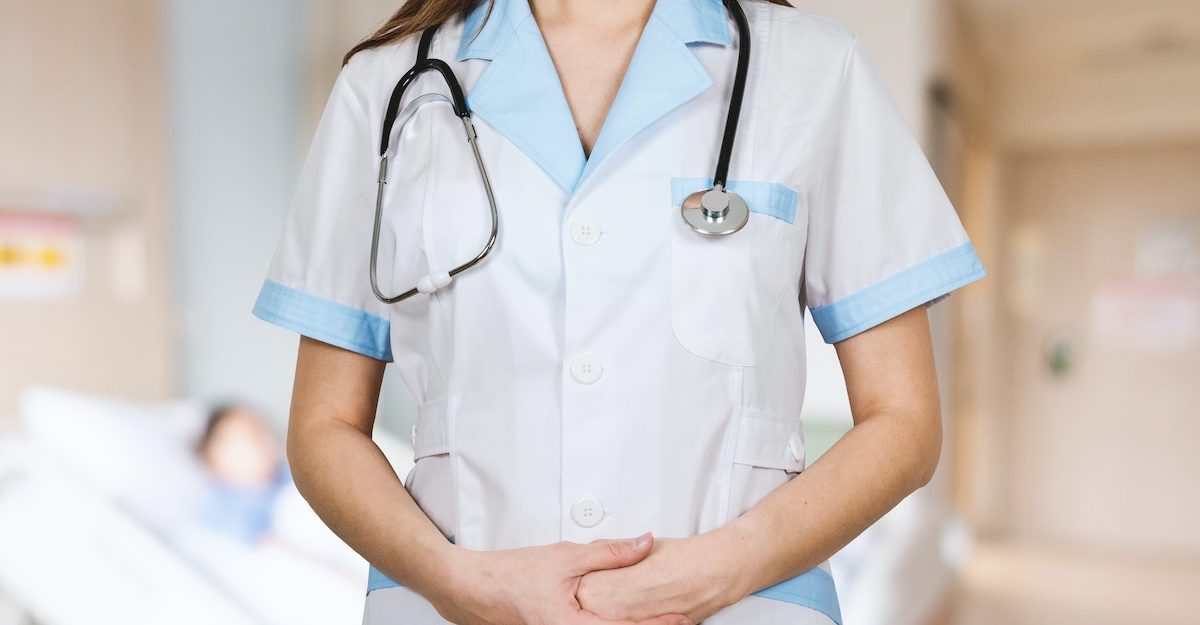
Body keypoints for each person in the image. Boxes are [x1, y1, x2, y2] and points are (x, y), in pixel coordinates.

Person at [251, 0, 986, 623]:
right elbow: (323, 429)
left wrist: (722, 569)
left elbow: (904, 423)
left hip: (743, 604)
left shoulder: (814, 72)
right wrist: (456, 581)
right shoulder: (387, 86)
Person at [195, 402, 289, 545]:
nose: (258, 445)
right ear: (210, 456)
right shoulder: (221, 509)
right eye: (242, 440)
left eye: (260, 433)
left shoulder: (289, 477)